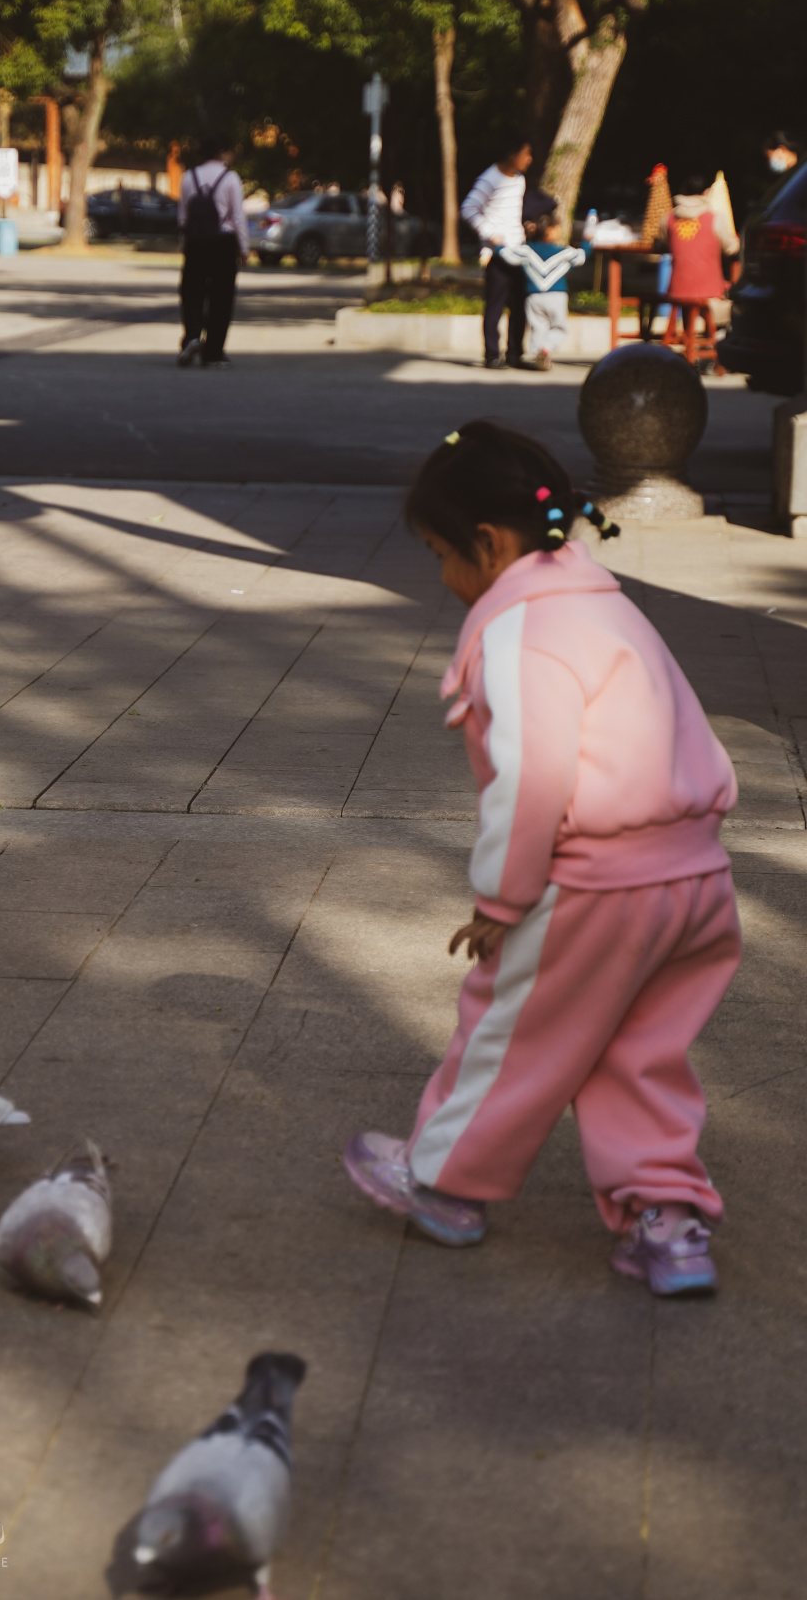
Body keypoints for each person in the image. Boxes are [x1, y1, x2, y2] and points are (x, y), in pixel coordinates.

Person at [343, 420, 741, 1297]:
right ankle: (668, 1225)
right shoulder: (607, 602)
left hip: (596, 884)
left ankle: (442, 1181)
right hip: (696, 882)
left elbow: (534, 779)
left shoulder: (520, 633)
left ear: (488, 543)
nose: (444, 577)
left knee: (505, 1029)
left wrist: (503, 898)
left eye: (442, 553)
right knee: (639, 1051)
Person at [176, 136, 250, 370]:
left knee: (192, 292)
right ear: (223, 153)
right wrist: (244, 247)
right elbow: (238, 216)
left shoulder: (189, 177)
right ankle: (213, 352)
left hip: (196, 242)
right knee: (221, 297)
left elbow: (183, 215)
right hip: (223, 242)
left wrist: (184, 242)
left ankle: (192, 337)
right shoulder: (230, 178)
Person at [461, 136, 533, 369]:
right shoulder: (489, 179)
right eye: (526, 154)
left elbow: (512, 213)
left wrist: (525, 227)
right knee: (495, 304)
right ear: (512, 155)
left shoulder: (520, 180)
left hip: (518, 250)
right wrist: (489, 233)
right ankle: (492, 355)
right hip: (498, 252)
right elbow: (468, 208)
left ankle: (515, 354)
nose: (529, 160)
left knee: (520, 304)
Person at [494, 211, 593, 370]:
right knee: (559, 327)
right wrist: (588, 241)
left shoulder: (527, 250)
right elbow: (581, 256)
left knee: (538, 326)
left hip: (533, 297)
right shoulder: (564, 251)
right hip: (556, 295)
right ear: (551, 231)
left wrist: (498, 246)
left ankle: (540, 355)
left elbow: (509, 256)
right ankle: (546, 348)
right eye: (558, 228)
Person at [657, 174, 739, 306]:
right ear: (706, 192)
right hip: (710, 290)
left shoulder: (668, 218)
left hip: (677, 289)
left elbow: (664, 243)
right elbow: (731, 248)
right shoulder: (715, 218)